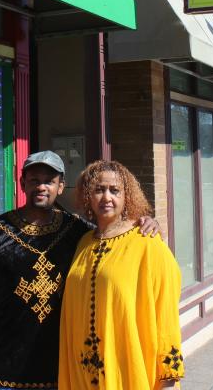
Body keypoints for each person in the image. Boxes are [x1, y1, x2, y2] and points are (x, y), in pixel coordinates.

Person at [0, 151, 158, 390]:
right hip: (2, 373)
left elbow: (113, 233)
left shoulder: (77, 232)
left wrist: (145, 222)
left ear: (60, 187)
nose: (41, 187)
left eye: (49, 181)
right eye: (34, 180)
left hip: (62, 373)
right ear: (22, 183)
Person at [58, 160, 184, 390]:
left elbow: (166, 313)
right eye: (99, 190)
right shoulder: (84, 242)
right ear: (88, 195)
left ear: (127, 196)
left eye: (115, 190)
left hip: (129, 370)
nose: (107, 197)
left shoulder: (147, 242)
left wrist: (169, 375)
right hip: (82, 372)